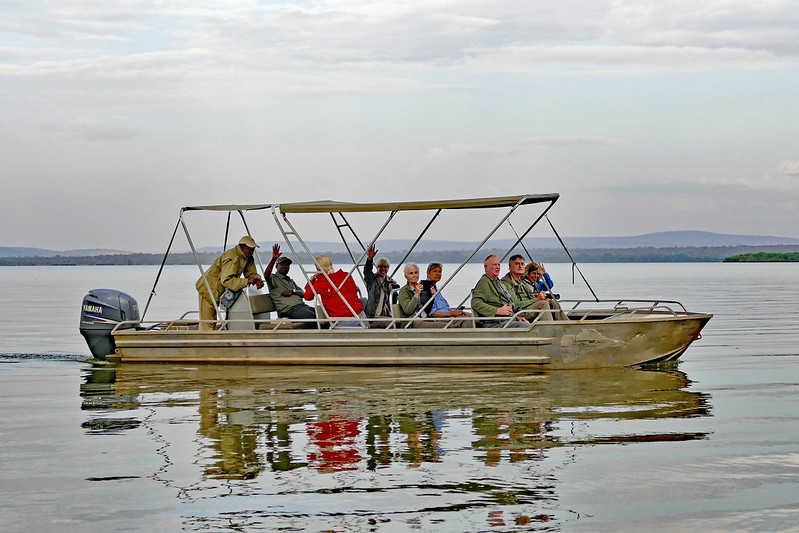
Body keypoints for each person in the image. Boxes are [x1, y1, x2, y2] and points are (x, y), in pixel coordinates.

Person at [195, 235, 264, 330]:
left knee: (213, 321)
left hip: (218, 291)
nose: (252, 251)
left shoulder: (247, 257)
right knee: (208, 323)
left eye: (253, 249)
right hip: (208, 289)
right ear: (242, 246)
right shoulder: (232, 258)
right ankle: (205, 342)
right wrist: (246, 281)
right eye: (249, 249)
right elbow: (226, 281)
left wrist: (257, 279)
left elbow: (251, 272)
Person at [303, 254, 365, 327]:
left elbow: (307, 297)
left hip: (342, 321)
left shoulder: (319, 283)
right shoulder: (346, 276)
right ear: (331, 264)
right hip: (361, 317)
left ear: (318, 268)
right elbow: (354, 290)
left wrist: (311, 280)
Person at [264, 244, 316, 327]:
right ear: (277, 266)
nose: (286, 267)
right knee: (312, 317)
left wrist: (293, 291)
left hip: (301, 306)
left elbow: (303, 293)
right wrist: (274, 258)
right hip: (289, 310)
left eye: (287, 265)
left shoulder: (290, 280)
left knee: (322, 314)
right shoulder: (273, 279)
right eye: (283, 264)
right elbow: (266, 275)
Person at [470, 255, 529, 328]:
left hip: (505, 320)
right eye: (494, 265)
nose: (498, 267)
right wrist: (496, 310)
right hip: (493, 323)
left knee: (531, 324)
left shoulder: (498, 282)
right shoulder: (484, 282)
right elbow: (476, 303)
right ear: (486, 267)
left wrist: (516, 317)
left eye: (498, 265)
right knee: (526, 327)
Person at [500, 254, 553, 322]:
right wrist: (537, 299)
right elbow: (516, 304)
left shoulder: (523, 282)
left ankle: (567, 326)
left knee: (552, 303)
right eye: (517, 264)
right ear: (510, 266)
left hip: (528, 308)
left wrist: (540, 299)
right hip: (519, 312)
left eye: (522, 264)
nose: (520, 266)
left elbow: (531, 296)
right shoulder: (506, 282)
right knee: (543, 304)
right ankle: (550, 329)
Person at [425, 262, 473, 328]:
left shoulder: (435, 289)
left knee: (472, 317)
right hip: (440, 320)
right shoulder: (426, 288)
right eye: (434, 271)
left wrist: (462, 312)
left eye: (439, 272)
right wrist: (451, 313)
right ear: (428, 273)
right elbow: (431, 313)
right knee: (469, 321)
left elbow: (445, 309)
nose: (437, 274)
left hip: (448, 317)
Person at [363, 244, 400, 328]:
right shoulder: (372, 279)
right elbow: (367, 271)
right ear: (376, 267)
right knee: (391, 323)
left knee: (397, 322)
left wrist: (392, 292)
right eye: (380, 266)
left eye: (385, 267)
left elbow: (393, 302)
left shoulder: (391, 282)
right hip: (373, 316)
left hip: (387, 314)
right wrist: (370, 259)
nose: (383, 269)